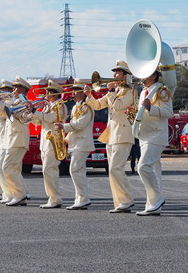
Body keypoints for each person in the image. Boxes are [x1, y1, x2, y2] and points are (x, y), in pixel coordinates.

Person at [85, 60, 136, 213]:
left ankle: (126, 200)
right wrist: (89, 95)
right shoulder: (113, 92)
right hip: (111, 135)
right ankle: (120, 202)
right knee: (112, 170)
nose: (114, 75)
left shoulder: (131, 91)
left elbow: (120, 106)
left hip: (123, 134)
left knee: (115, 168)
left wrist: (112, 93)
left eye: (117, 72)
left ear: (125, 75)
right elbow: (97, 105)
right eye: (114, 72)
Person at [134, 70, 173, 216]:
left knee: (142, 167)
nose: (141, 77)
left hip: (156, 134)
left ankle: (158, 199)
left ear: (154, 75)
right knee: (154, 171)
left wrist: (151, 107)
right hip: (144, 135)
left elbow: (169, 112)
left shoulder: (162, 91)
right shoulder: (144, 91)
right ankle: (153, 205)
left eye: (145, 74)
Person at [56, 80, 94, 210]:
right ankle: (81, 198)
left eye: (76, 91)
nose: (73, 93)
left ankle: (83, 198)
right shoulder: (76, 107)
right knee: (79, 171)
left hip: (82, 142)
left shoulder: (86, 107)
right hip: (77, 142)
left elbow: (80, 125)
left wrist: (63, 126)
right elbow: (75, 123)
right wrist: (67, 138)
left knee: (74, 169)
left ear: (82, 94)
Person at [31, 80, 67, 209]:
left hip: (54, 141)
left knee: (49, 170)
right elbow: (38, 122)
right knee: (47, 171)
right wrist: (32, 114)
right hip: (46, 142)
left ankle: (55, 198)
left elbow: (51, 118)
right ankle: (53, 198)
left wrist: (35, 111)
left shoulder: (60, 105)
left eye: (48, 92)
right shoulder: (49, 106)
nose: (46, 95)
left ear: (55, 94)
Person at [0, 77, 34, 206]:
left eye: (16, 87)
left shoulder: (24, 102)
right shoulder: (15, 101)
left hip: (18, 138)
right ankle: (20, 195)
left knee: (7, 167)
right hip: (12, 138)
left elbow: (26, 118)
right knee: (13, 168)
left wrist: (22, 112)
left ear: (23, 90)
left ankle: (19, 194)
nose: (13, 89)